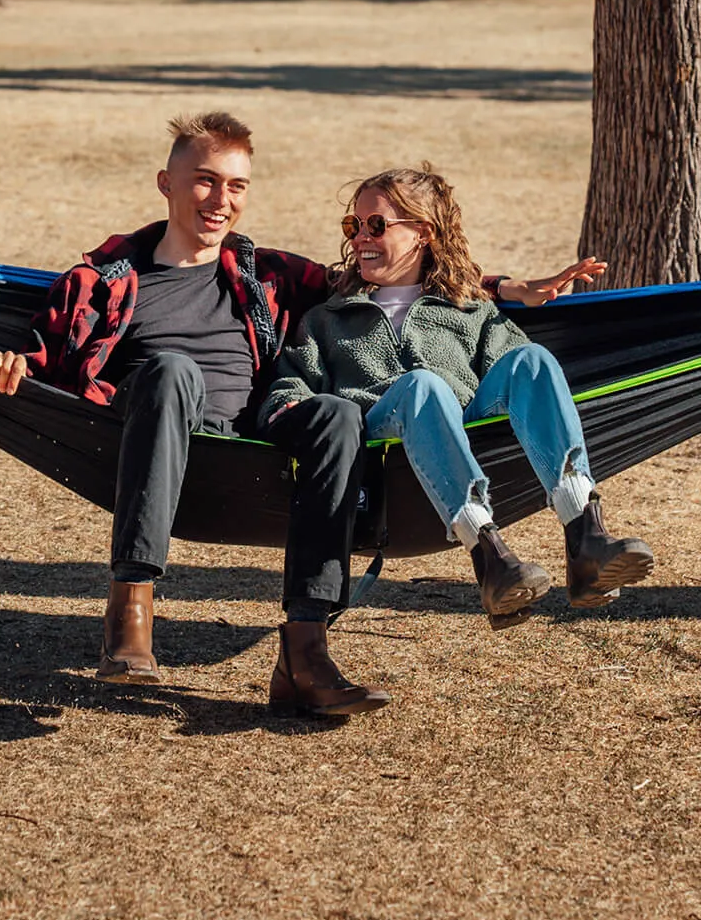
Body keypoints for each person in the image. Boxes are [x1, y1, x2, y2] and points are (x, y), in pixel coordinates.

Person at [0, 115, 599, 718]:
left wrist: (505, 287)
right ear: (166, 184)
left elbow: (393, 273)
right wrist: (15, 362)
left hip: (258, 437)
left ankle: (307, 652)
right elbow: (48, 352)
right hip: (167, 432)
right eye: (205, 180)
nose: (220, 199)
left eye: (236, 185)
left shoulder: (265, 272)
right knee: (171, 369)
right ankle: (130, 608)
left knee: (335, 413)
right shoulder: (106, 279)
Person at [261, 165, 654, 636]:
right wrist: (290, 414)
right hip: (380, 445)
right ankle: (489, 556)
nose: (361, 237)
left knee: (531, 359)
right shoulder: (328, 317)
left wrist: (501, 291)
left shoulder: (468, 307)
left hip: (463, 432)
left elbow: (523, 384)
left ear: (422, 233)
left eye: (377, 225)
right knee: (422, 385)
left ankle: (584, 533)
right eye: (354, 225)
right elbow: (290, 385)